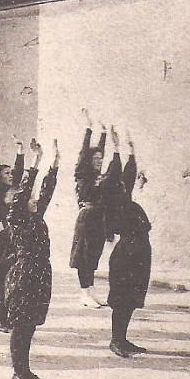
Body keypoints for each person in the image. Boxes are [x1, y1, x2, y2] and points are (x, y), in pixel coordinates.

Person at [4, 140, 59, 379]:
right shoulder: (17, 218)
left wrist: (54, 165)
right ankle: (18, 374)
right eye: (30, 199)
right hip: (24, 273)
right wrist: (35, 164)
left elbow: (46, 192)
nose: (36, 200)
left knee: (31, 324)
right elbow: (25, 193)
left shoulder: (36, 216)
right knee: (20, 324)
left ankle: (26, 371)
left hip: (40, 273)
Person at [105, 130, 151, 357]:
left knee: (131, 299)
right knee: (122, 300)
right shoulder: (114, 204)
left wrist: (131, 152)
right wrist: (116, 152)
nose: (126, 186)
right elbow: (121, 176)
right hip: (126, 256)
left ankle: (122, 339)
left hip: (139, 254)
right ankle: (116, 340)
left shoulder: (126, 201)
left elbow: (128, 177)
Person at [70, 109, 113, 308]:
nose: (99, 161)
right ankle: (84, 292)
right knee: (84, 256)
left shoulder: (99, 177)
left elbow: (101, 151)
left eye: (100, 159)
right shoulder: (83, 174)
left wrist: (104, 134)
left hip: (98, 218)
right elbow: (83, 153)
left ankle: (90, 291)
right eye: (95, 159)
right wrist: (89, 129)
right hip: (86, 218)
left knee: (93, 255)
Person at [0, 138, 27, 332]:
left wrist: (20, 152)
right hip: (3, 242)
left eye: (12, 173)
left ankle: (11, 316)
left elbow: (20, 175)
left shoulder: (15, 192)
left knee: (16, 280)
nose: (11, 175)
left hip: (17, 241)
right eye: (6, 173)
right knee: (3, 279)